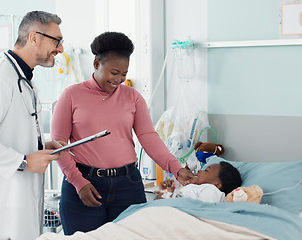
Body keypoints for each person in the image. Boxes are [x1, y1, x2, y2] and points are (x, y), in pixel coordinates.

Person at [50, 31, 195, 235]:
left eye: (124, 74)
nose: (119, 79)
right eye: (114, 72)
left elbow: (148, 137)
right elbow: (59, 145)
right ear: (96, 64)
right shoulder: (71, 96)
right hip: (85, 184)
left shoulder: (133, 97)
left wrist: (176, 168)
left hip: (128, 185)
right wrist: (77, 181)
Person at [0, 11, 66, 240]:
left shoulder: (23, 80)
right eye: (57, 41)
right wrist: (24, 161)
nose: (61, 49)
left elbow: (9, 133)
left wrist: (39, 146)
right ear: (34, 37)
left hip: (16, 200)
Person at [154, 161, 242, 203]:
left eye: (206, 171)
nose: (199, 171)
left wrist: (172, 196)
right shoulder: (193, 188)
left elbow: (203, 210)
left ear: (216, 184)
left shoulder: (211, 189)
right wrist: (165, 192)